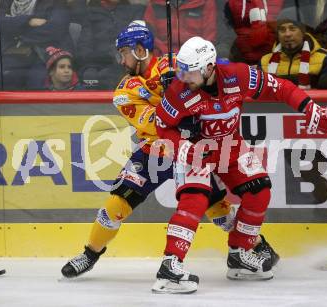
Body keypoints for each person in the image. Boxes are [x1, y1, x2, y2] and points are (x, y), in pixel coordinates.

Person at [61, 22, 278, 278]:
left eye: (124, 53)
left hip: (192, 148)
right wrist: (170, 98)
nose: (121, 60)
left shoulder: (176, 64)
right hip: (155, 152)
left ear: (140, 49)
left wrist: (180, 86)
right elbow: (155, 124)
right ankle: (90, 253)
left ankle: (255, 245)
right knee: (114, 205)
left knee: (220, 212)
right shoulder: (124, 92)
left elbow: (212, 78)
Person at [152, 36, 327, 294]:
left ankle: (240, 255)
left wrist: (311, 109)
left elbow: (282, 88)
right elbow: (162, 126)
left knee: (260, 190)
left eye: (189, 71)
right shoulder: (178, 91)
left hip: (231, 146)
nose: (183, 77)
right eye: (181, 70)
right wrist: (184, 147)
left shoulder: (238, 75)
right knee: (194, 200)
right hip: (196, 149)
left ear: (209, 68)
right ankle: (170, 266)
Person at [0, 0, 72, 90]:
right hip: (15, 51)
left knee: (38, 81)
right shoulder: (8, 2)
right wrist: (28, 21)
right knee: (3, 77)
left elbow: (55, 29)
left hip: (45, 52)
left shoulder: (56, 2)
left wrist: (17, 34)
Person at [76, 0, 146, 89]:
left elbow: (139, 40)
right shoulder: (90, 14)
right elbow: (83, 51)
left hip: (126, 63)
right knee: (92, 76)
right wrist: (108, 55)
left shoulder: (134, 11)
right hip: (99, 65)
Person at [259, 17, 327, 89]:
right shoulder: (264, 61)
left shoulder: (323, 59)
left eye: (292, 29)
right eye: (282, 30)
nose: (287, 34)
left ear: (303, 33)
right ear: (278, 35)